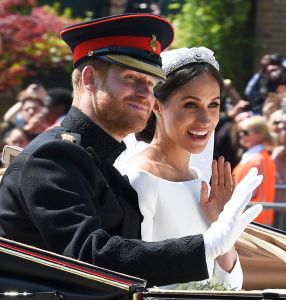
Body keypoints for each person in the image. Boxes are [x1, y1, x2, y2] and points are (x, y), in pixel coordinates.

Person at [0, 13, 263, 288]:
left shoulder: (101, 165)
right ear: (90, 79)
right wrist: (208, 246)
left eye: (151, 83)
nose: (144, 93)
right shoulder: (52, 158)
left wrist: (220, 244)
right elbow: (88, 258)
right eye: (131, 77)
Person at [118, 47, 243, 289]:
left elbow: (232, 286)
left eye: (213, 105)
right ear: (157, 106)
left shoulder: (200, 181)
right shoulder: (139, 179)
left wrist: (220, 221)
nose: (206, 120)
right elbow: (135, 279)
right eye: (191, 105)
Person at [233, 115, 276, 226]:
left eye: (245, 132)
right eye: (240, 131)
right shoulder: (258, 157)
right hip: (251, 220)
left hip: (252, 222)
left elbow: (251, 192)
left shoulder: (258, 159)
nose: (241, 134)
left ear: (259, 136)